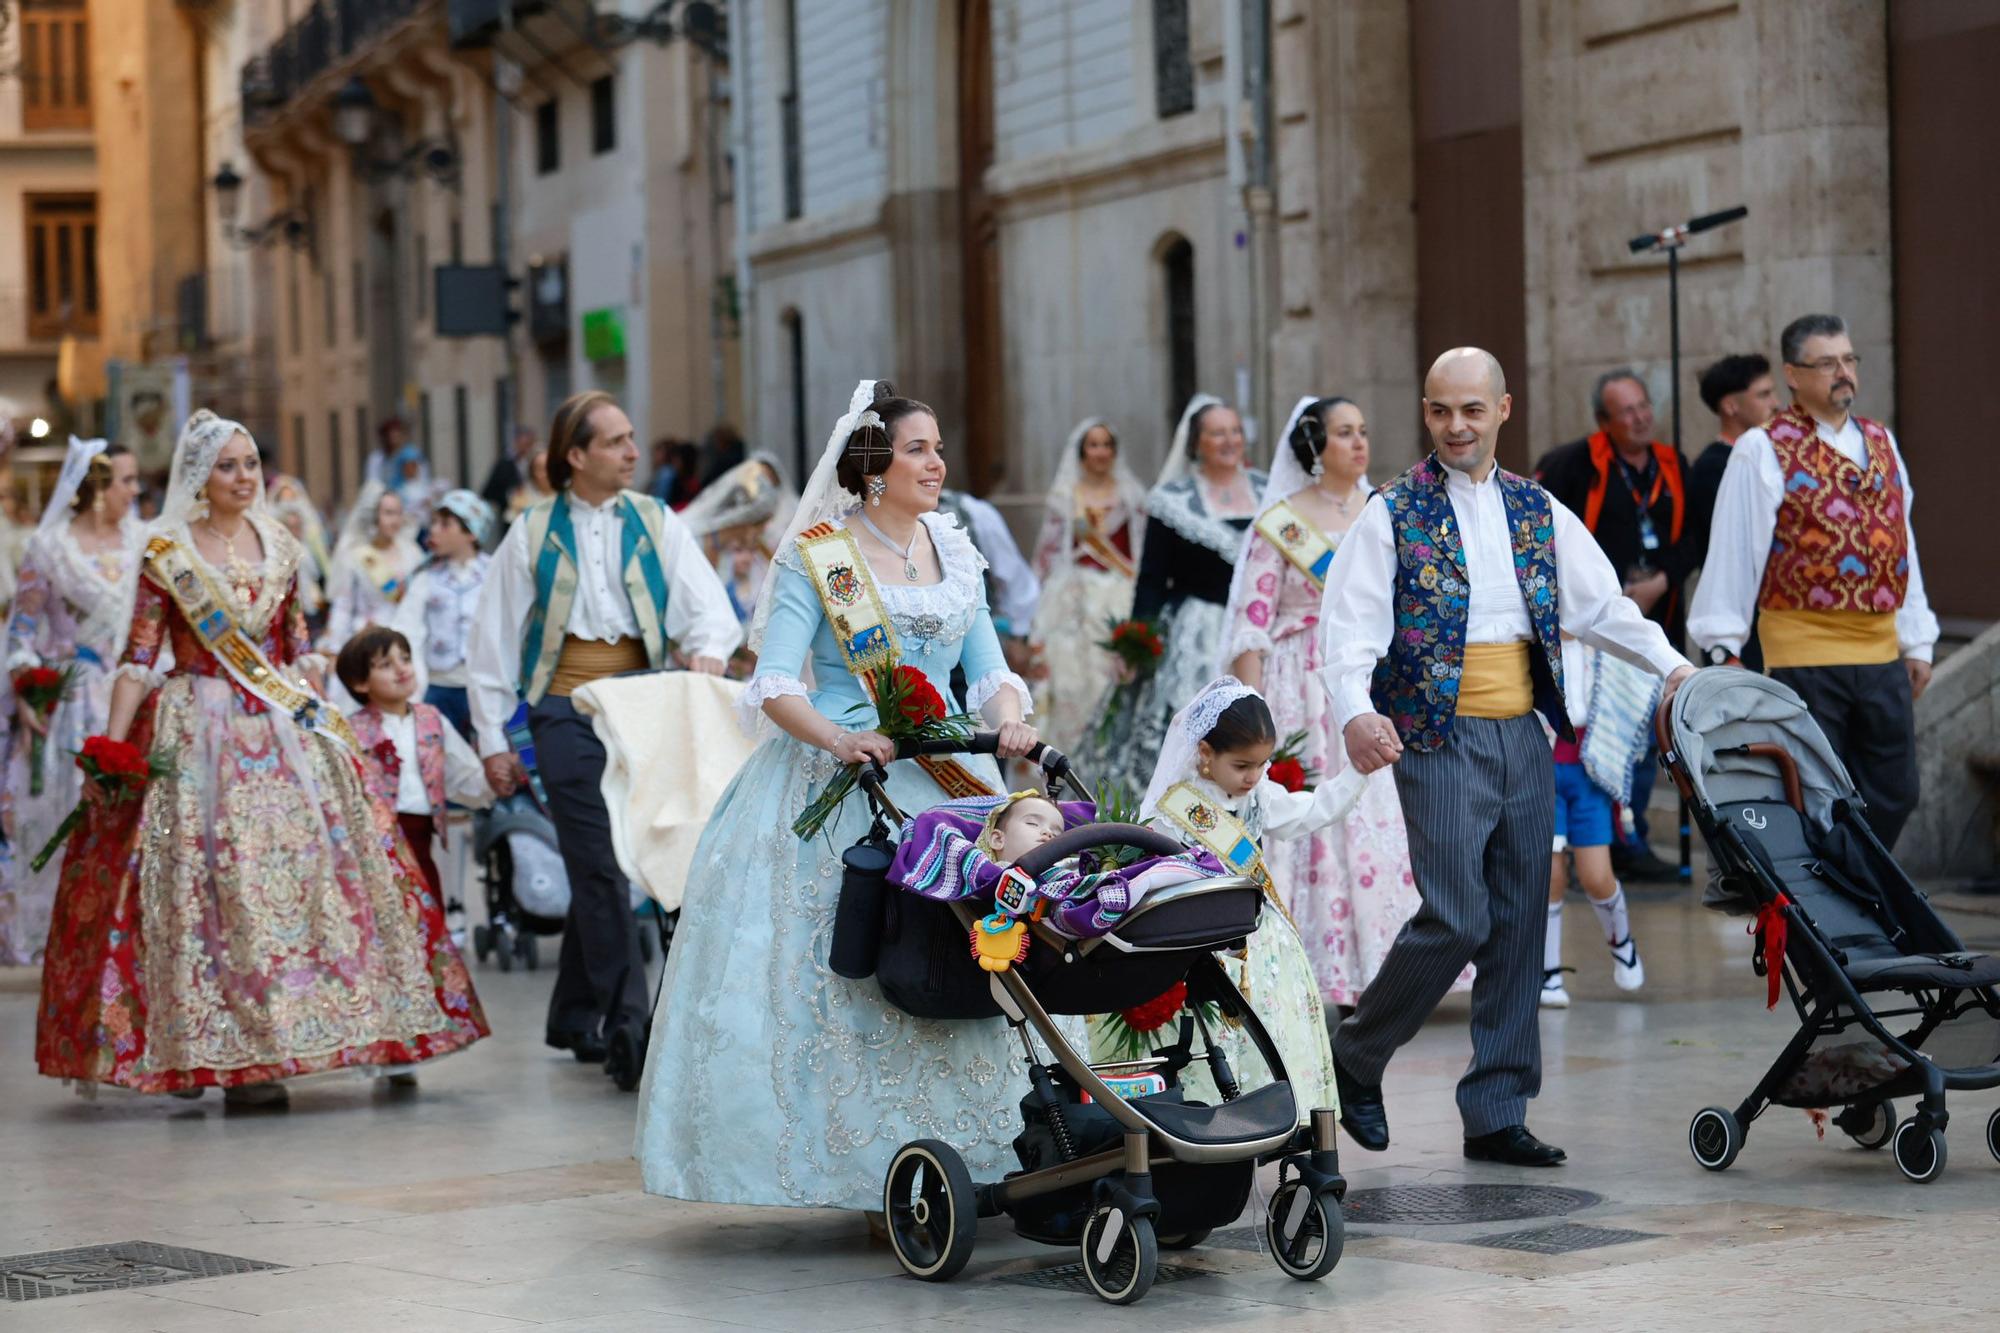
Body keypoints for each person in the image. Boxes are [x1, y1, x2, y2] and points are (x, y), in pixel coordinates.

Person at [634, 379, 1041, 1209]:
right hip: (846, 772)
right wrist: (840, 735)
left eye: (936, 446)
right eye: (917, 448)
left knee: (972, 949)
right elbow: (776, 683)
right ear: (872, 464)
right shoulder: (820, 554)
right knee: (854, 969)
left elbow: (991, 668)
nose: (936, 462)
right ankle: (860, 1161)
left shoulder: (953, 548)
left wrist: (1008, 722)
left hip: (950, 779)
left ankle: (981, 1149)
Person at [36, 410, 487, 1101]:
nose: (243, 477)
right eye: (227, 465)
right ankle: (213, 1049)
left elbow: (297, 648)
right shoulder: (168, 552)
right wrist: (110, 747)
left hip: (281, 728)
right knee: (207, 887)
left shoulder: (281, 545)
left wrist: (320, 717)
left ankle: (311, 1034)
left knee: (309, 879)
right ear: (199, 475)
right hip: (195, 727)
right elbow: (137, 655)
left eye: (250, 464)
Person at [1318, 348, 1692, 1167]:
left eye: (1473, 411)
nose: (1458, 426)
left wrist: (1677, 669)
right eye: (1442, 411)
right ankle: (1355, 1055)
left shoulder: (1538, 509)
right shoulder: (1390, 513)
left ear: (1503, 411)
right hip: (1436, 733)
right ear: (1426, 413)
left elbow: (1603, 609)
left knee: (1524, 917)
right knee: (1458, 913)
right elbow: (1346, 633)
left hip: (1524, 729)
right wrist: (1355, 711)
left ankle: (1496, 1108)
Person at [468, 390, 740, 1067]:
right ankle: (630, 1027)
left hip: (645, 707)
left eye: (630, 437)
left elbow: (710, 609)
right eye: (616, 440)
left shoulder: (656, 521)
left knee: (622, 859)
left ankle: (571, 1013)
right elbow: (491, 643)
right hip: (563, 709)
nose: (632, 451)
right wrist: (492, 741)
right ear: (576, 455)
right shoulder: (529, 532)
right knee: (598, 866)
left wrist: (707, 648)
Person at [1222, 396, 1460, 1011]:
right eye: (1344, 433)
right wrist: (1252, 715)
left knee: (1385, 824)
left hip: (1378, 683)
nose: (1359, 443)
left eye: (1363, 431)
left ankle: (1400, 969)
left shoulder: (1387, 511)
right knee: (1318, 822)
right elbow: (1252, 622)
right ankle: (1316, 972)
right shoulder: (1281, 522)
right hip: (1301, 688)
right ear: (1314, 447)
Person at [1688, 313, 1937, 851]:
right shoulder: (1764, 447)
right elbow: (1735, 550)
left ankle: (1855, 894)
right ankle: (1837, 913)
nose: (1842, 372)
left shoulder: (1882, 441)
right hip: (1804, 656)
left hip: (1881, 653)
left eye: (1848, 360)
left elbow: (1902, 543)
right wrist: (1720, 645)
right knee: (1819, 795)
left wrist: (1917, 638)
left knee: (1897, 791)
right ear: (1794, 375)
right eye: (1826, 363)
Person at [1115, 678, 1361, 1121]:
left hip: (1265, 951)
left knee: (1273, 1044)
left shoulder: (1260, 795)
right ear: (1205, 753)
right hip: (1202, 950)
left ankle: (1279, 1124)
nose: (1254, 776)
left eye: (1262, 764)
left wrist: (1358, 772)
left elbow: (1313, 810)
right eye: (1243, 765)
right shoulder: (1171, 810)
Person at [1535, 370, 1693, 882]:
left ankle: (1630, 836)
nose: (1639, 417)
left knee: (1647, 733)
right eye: (1626, 411)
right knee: (1601, 732)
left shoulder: (1672, 465)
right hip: (1590, 631)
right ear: (1603, 422)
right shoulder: (1569, 465)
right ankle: (1591, 843)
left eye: (1643, 405)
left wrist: (1664, 579)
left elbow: (1693, 536)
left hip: (1656, 619)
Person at [0, 439, 142, 965]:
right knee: (71, 818)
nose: (135, 492)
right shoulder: (50, 547)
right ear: (98, 489)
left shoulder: (145, 542)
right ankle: (71, 938)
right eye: (126, 481)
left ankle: (128, 935)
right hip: (77, 703)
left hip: (135, 690)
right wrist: (26, 684)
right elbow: (21, 631)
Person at [1081, 395, 1264, 800]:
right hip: (1195, 634)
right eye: (1218, 433)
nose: (1229, 440)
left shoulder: (1268, 492)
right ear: (1197, 442)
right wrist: (1135, 643)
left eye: (1234, 431)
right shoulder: (1171, 500)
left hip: (1258, 628)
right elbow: (1151, 579)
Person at [338, 626, 494, 906]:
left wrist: (493, 780)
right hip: (376, 846)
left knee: (427, 911)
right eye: (386, 665)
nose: (402, 669)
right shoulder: (351, 731)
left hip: (422, 840)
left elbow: (461, 773)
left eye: (406, 659)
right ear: (360, 682)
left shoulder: (431, 719)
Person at [1541, 636, 1650, 1008]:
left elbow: (1637, 678)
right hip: (1541, 768)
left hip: (1591, 770)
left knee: (1596, 876)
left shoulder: (1602, 642)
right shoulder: (1532, 637)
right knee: (1549, 874)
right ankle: (1548, 973)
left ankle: (1621, 942)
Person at [1027, 418, 1147, 756]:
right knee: (1069, 683)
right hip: (1071, 601)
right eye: (1093, 445)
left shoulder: (1131, 495)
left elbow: (1138, 548)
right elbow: (1047, 555)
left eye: (1106, 445)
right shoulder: (1067, 496)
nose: (1100, 452)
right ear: (1082, 452)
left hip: (1118, 596)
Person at [1686, 353, 1778, 671]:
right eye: (1764, 394)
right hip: (1741, 635)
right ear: (1731, 406)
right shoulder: (1713, 468)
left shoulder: (1771, 459)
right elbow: (1730, 558)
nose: (1776, 404)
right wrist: (1727, 650)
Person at [390, 489, 494, 739]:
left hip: (484, 688)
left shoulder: (493, 574)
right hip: (439, 687)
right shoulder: (426, 578)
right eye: (433, 522)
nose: (434, 530)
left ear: (471, 532)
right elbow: (407, 631)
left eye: (445, 524)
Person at [324, 481, 423, 652]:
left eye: (399, 513)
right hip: (370, 640)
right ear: (374, 516)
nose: (395, 520)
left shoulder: (412, 554)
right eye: (388, 513)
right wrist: (334, 646)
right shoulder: (357, 557)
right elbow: (343, 605)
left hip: (409, 638)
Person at [482, 426, 540, 513]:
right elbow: (489, 492)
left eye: (528, 445)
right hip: (511, 514)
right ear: (516, 443)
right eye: (522, 444)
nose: (525, 449)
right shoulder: (504, 465)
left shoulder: (537, 464)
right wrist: (509, 495)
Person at [366, 417, 409, 489]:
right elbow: (372, 481)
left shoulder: (411, 456)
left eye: (396, 435)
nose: (393, 438)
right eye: (389, 435)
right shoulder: (376, 458)